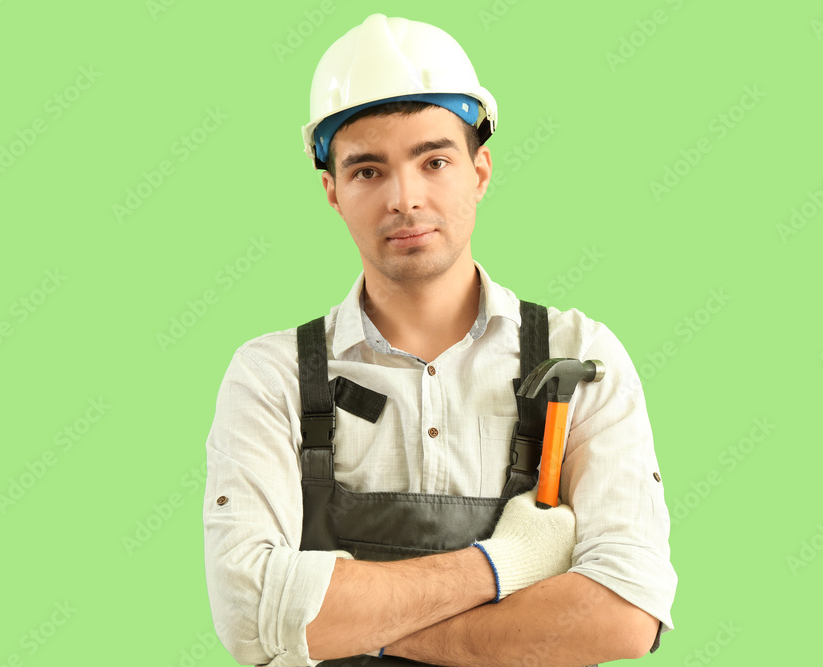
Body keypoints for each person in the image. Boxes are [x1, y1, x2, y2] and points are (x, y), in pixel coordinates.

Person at [202, 13, 676, 667]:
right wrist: (503, 564)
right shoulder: (273, 375)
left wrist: (355, 625)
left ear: (479, 171)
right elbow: (248, 611)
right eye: (368, 171)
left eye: (434, 160)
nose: (405, 197)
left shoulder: (579, 355)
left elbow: (624, 613)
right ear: (332, 192)